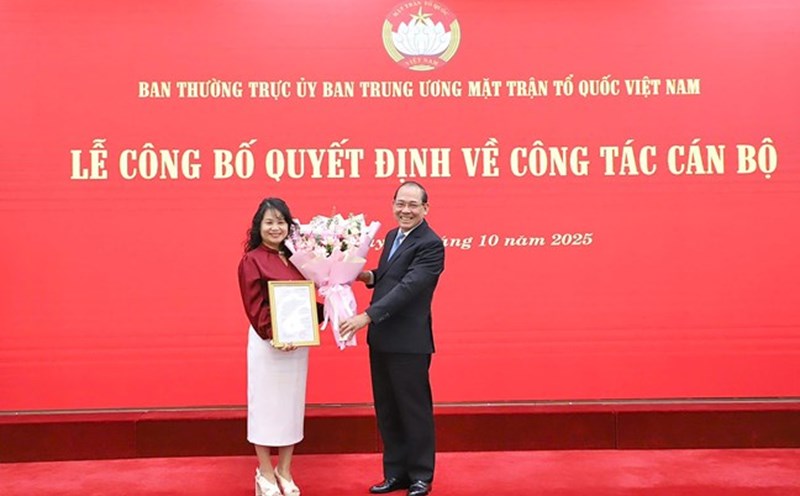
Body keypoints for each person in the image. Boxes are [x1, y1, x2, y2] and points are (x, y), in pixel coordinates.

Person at [339, 181, 445, 496]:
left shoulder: (431, 244)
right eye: (401, 203)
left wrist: (365, 317)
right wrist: (361, 275)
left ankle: (421, 475)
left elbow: (408, 288)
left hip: (409, 343)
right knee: (387, 409)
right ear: (393, 204)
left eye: (413, 204)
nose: (406, 210)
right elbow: (389, 277)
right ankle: (396, 473)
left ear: (425, 208)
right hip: (382, 339)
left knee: (413, 410)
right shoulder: (391, 236)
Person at [237, 197, 307, 496]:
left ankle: (285, 470)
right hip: (268, 343)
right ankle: (264, 471)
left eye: (281, 222)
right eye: (269, 222)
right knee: (265, 406)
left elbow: (306, 298)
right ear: (259, 226)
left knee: (291, 406)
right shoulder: (251, 260)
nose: (275, 227)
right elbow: (254, 306)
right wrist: (274, 334)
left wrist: (327, 310)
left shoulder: (300, 257)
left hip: (297, 343)